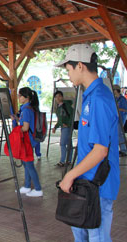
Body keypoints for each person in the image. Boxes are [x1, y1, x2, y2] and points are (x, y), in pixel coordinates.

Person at [57, 44, 119, 241]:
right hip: (86, 183)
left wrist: (69, 176)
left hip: (98, 185)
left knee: (98, 237)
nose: (68, 75)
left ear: (80, 66)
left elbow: (100, 151)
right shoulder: (90, 96)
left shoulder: (99, 98)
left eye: (69, 70)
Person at [10, 87, 43, 197]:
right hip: (29, 140)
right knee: (26, 163)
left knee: (29, 164)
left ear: (26, 97)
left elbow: (25, 127)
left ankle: (38, 188)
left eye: (20, 96)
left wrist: (16, 126)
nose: (19, 98)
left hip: (27, 140)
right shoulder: (29, 108)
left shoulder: (26, 110)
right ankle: (27, 186)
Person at [52, 90, 74, 166]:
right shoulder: (58, 108)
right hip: (64, 127)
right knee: (68, 143)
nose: (57, 98)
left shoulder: (66, 105)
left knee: (62, 143)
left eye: (59, 96)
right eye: (56, 97)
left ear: (62, 97)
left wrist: (68, 124)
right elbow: (60, 120)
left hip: (67, 127)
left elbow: (72, 115)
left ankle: (63, 161)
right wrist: (55, 127)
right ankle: (69, 160)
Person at [113, 84, 127, 157]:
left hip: (121, 118)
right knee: (117, 134)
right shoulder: (115, 99)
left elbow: (125, 109)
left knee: (120, 134)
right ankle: (121, 149)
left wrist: (117, 108)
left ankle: (123, 150)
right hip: (116, 118)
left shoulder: (122, 99)